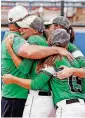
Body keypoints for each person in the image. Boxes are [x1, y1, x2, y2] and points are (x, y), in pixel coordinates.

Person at [1, 6, 73, 117]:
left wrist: (10, 50)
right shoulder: (44, 41)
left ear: (34, 30)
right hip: (51, 98)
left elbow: (25, 67)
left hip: (27, 96)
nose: (21, 29)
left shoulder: (33, 39)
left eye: (25, 27)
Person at [2, 29, 85, 118]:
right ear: (67, 44)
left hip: (65, 107)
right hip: (80, 105)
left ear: (49, 42)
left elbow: (35, 84)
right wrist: (72, 70)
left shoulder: (53, 60)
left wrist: (13, 79)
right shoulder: (76, 62)